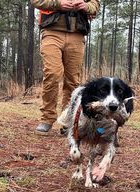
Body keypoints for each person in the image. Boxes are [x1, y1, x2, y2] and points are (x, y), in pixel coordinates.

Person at [31, 0, 100, 135]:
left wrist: (86, 6)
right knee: (52, 74)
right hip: (51, 32)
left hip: (77, 35)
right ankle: (47, 118)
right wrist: (58, 4)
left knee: (73, 80)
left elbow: (95, 4)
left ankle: (68, 120)